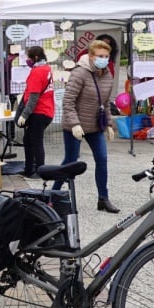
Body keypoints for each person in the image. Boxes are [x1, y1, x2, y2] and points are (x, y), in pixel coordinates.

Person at [53, 39, 119, 213]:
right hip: (76, 126)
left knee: (102, 159)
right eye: (100, 56)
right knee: (70, 162)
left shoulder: (107, 75)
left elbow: (105, 102)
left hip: (95, 125)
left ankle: (103, 198)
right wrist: (74, 124)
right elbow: (68, 101)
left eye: (106, 56)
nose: (103, 59)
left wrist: (109, 124)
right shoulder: (80, 73)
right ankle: (53, 195)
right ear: (90, 56)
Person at [17, 45, 55, 178]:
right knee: (28, 140)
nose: (28, 60)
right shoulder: (46, 69)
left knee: (36, 141)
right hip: (46, 110)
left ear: (36, 57)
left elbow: (33, 97)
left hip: (39, 111)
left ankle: (40, 170)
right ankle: (29, 169)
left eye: (29, 57)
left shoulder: (37, 72)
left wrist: (24, 115)